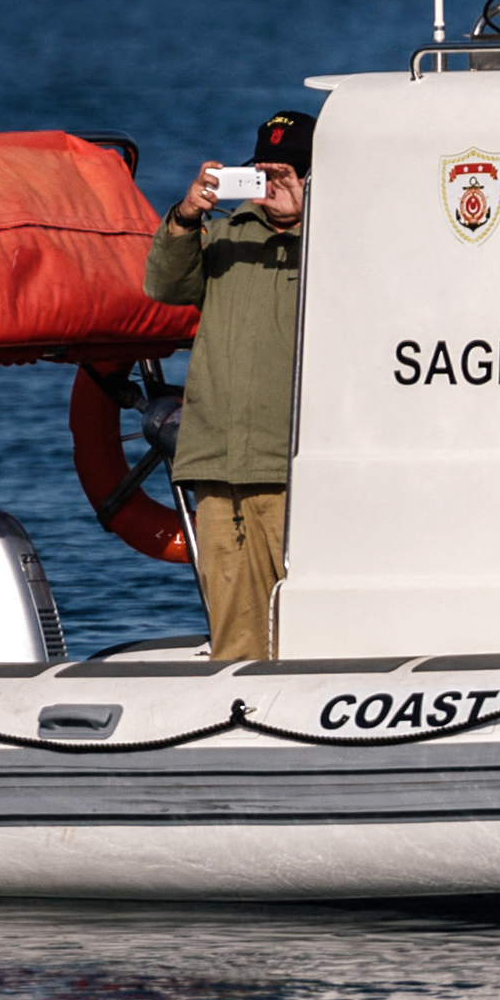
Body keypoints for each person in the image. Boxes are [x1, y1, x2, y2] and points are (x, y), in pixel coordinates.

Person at [146, 108, 314, 659]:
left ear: (314, 175)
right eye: (265, 171)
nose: (274, 185)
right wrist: (185, 217)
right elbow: (163, 285)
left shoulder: (334, 238)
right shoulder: (223, 235)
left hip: (287, 464)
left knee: (297, 619)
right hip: (216, 460)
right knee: (231, 624)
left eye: (288, 172)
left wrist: (310, 214)